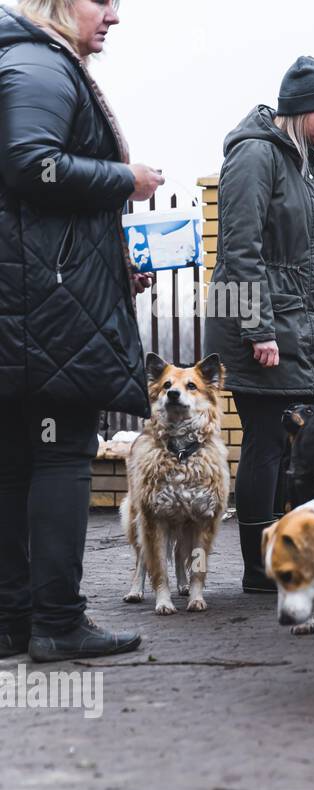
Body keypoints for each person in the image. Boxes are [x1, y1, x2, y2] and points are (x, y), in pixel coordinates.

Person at [0, 0, 164, 661]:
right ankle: (59, 624)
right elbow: (27, 162)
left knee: (15, 464)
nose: (114, 18)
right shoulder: (41, 64)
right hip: (49, 308)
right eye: (103, 2)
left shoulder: (24, 59)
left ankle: (15, 620)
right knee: (63, 455)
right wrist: (127, 180)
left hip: (31, 298)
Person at [204, 56, 314, 592]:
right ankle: (259, 570)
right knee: (265, 441)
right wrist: (257, 329)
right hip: (260, 328)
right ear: (300, 109)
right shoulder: (255, 155)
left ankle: (284, 557)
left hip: (296, 326)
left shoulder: (306, 160)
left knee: (289, 446)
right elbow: (239, 251)